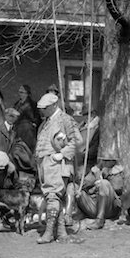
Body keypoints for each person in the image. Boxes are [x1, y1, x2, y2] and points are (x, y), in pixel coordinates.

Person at [35, 93, 81, 244]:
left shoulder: (65, 120)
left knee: (53, 196)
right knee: (52, 197)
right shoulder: (46, 122)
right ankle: (61, 232)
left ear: (54, 105)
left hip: (58, 164)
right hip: (46, 165)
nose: (43, 111)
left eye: (46, 108)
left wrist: (62, 154)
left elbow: (77, 141)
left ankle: (49, 233)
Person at [13, 85, 40, 152]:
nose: (20, 94)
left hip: (28, 130)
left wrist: (35, 123)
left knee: (27, 147)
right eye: (19, 92)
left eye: (22, 92)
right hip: (18, 128)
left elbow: (36, 116)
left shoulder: (32, 104)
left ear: (27, 93)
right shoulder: (17, 104)